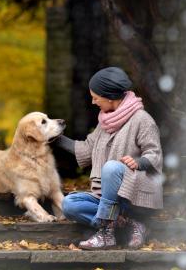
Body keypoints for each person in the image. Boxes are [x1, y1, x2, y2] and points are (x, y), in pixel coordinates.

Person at [55, 66, 163, 250]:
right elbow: (86, 149)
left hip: (132, 197)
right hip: (106, 198)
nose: (93, 101)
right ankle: (128, 225)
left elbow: (155, 155)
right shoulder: (105, 122)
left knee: (111, 168)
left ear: (110, 96)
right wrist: (53, 137)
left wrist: (138, 162)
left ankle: (106, 232)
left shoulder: (142, 119)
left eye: (95, 97)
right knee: (69, 204)